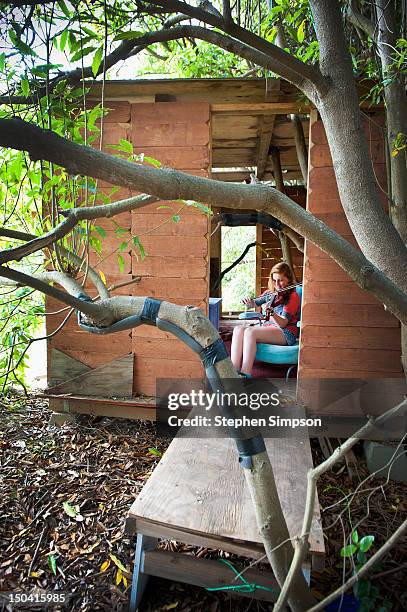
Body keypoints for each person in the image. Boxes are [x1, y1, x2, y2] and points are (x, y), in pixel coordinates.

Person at [231, 262, 300, 376]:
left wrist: (271, 312)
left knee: (250, 332)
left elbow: (283, 323)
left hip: (286, 333)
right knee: (238, 329)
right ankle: (233, 371)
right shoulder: (271, 293)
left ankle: (245, 374)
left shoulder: (293, 296)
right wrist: (249, 302)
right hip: (270, 329)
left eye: (281, 280)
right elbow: (254, 303)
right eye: (274, 280)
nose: (277, 284)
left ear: (289, 279)